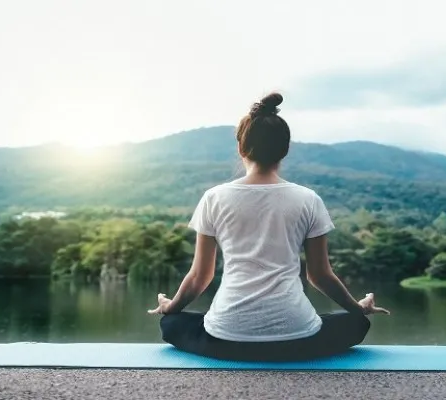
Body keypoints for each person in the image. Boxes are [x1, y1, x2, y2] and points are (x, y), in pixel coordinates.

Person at [147, 92, 390, 362]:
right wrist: (357, 309)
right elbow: (319, 276)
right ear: (284, 150)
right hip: (296, 340)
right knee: (356, 324)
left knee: (171, 324)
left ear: (241, 148)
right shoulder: (308, 199)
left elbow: (200, 276)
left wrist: (170, 308)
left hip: (226, 339)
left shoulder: (213, 198)